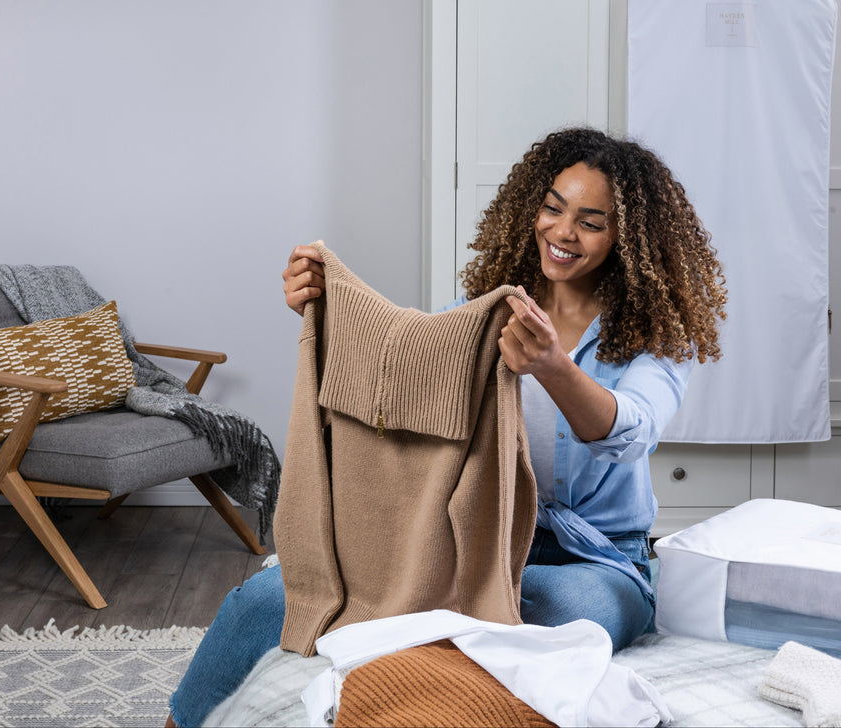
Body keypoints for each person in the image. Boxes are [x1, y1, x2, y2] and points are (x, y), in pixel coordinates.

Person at [166, 126, 727, 727]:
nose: (562, 232)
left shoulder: (656, 338)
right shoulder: (485, 313)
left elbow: (632, 433)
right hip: (471, 542)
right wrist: (325, 308)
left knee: (552, 608)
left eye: (591, 221)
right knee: (266, 598)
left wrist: (551, 366)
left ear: (629, 239)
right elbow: (401, 382)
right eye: (553, 208)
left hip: (598, 560)